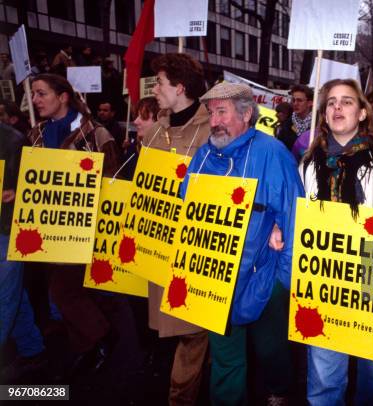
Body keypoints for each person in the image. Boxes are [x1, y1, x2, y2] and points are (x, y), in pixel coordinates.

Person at [181, 81, 303, 405]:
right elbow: (186, 205)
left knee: (270, 349)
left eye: (222, 112)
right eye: (211, 113)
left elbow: (294, 217)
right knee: (226, 360)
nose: (214, 121)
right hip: (215, 279)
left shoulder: (273, 154)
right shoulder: (204, 155)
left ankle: (279, 390)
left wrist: (284, 281)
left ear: (246, 114)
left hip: (264, 277)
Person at [301, 78, 373, 405]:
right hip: (323, 285)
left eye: (347, 101)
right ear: (323, 114)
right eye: (331, 102)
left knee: (371, 376)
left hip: (371, 288)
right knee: (323, 380)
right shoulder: (308, 165)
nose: (337, 107)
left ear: (363, 113)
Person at [27, 73, 119, 375]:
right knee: (70, 291)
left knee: (63, 291)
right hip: (48, 228)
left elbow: (113, 182)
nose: (35, 100)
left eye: (41, 94)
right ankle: (88, 349)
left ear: (63, 96)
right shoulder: (36, 134)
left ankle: (101, 335)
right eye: (34, 95)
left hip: (85, 227)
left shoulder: (95, 134)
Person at [142, 53, 210, 406]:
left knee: (192, 331)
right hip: (159, 248)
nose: (154, 89)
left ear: (180, 88)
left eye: (160, 83)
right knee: (173, 330)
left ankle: (180, 399)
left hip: (195, 249)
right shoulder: (153, 131)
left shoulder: (213, 129)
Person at [0, 121, 47, 382]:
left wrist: (15, 193)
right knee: (13, 295)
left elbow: (36, 186)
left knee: (4, 297)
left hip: (7, 229)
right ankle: (33, 350)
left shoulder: (14, 140)